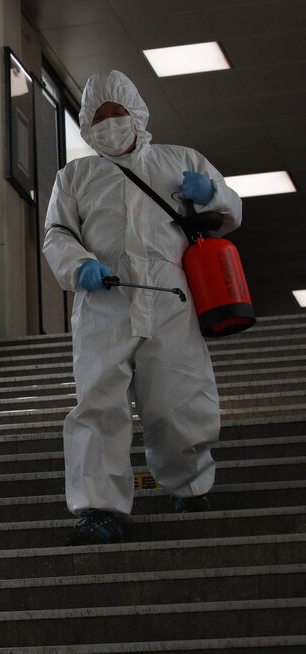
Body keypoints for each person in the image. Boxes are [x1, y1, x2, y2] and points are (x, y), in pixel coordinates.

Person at [42, 70, 242, 545]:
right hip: (103, 301)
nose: (110, 124)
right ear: (87, 126)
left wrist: (211, 194)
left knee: (179, 397)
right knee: (98, 405)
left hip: (171, 297)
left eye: (118, 113)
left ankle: (189, 485)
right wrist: (79, 265)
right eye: (99, 117)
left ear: (136, 113)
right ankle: (99, 508)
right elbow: (56, 234)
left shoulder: (180, 161)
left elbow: (234, 209)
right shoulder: (75, 176)